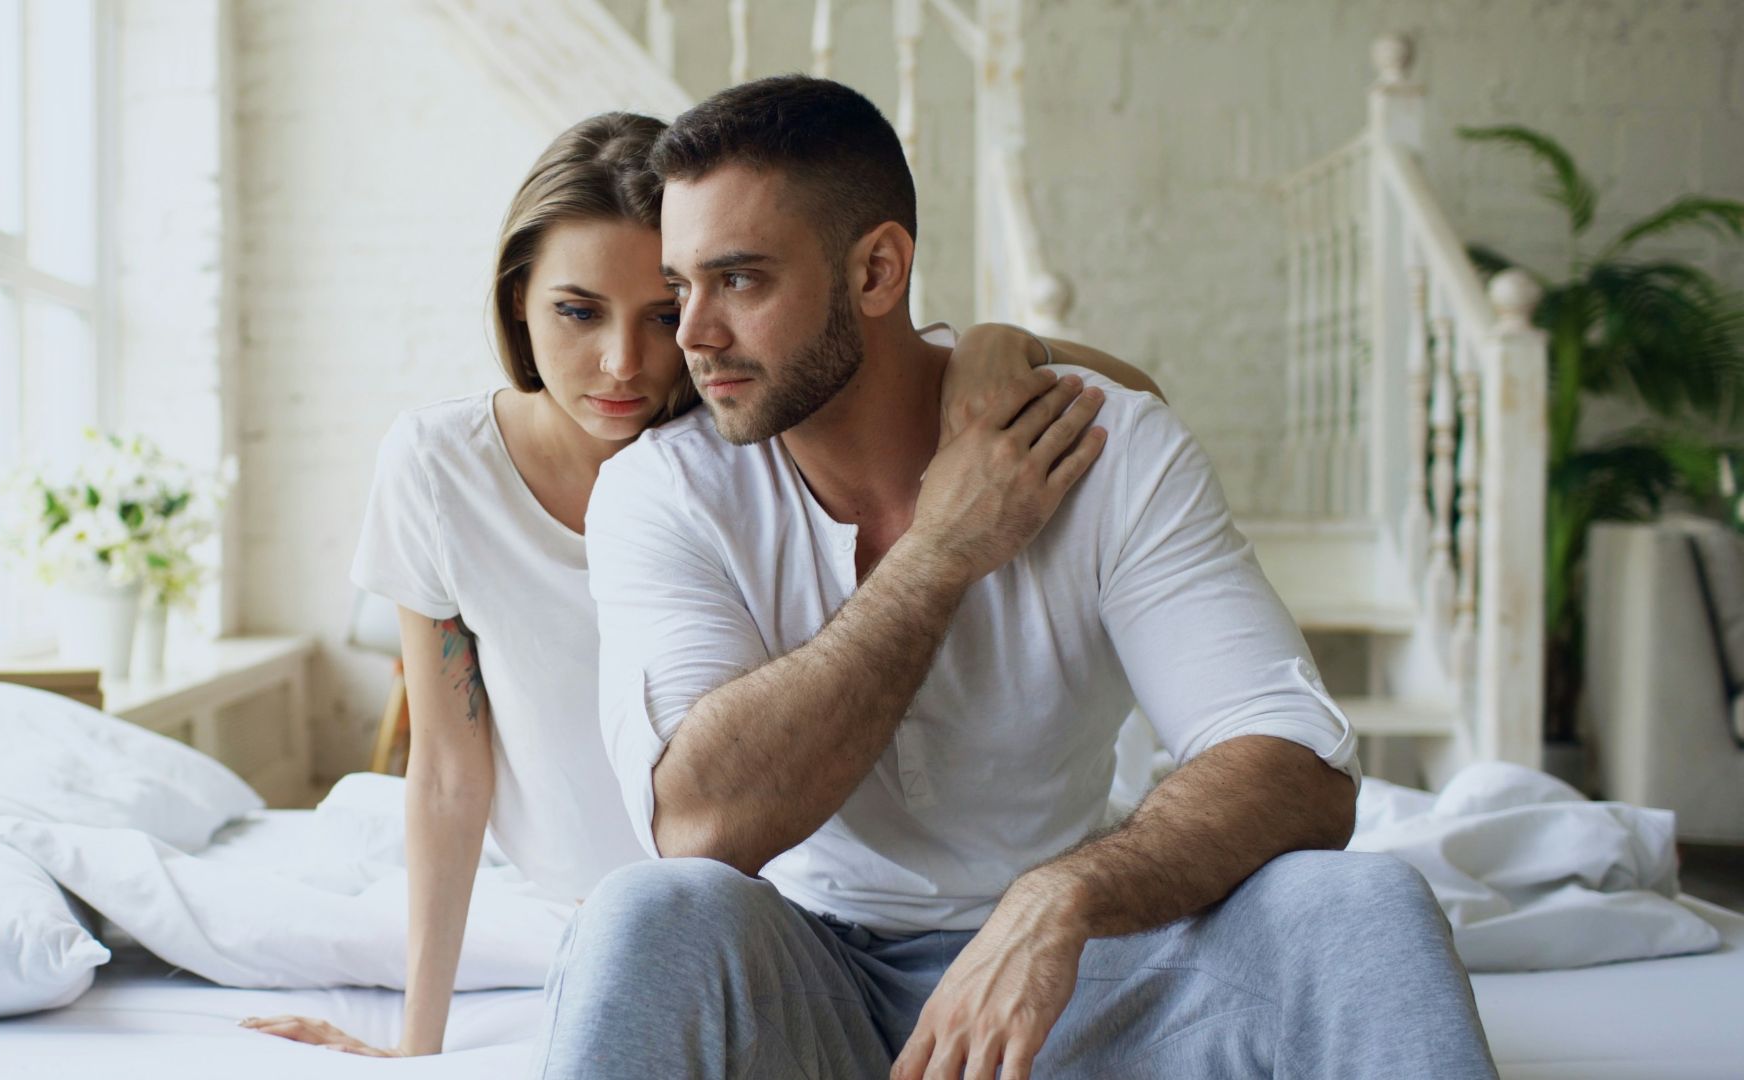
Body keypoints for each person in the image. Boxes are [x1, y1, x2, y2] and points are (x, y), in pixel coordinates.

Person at [533, 77, 1500, 1079]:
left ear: (877, 271)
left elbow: (1297, 762)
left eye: (738, 280)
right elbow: (699, 824)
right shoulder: (665, 490)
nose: (691, 335)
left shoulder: (1105, 447)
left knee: (1361, 902)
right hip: (815, 983)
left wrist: (1062, 900)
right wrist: (941, 553)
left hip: (1089, 980)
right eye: (683, 284)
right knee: (650, 910)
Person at [238, 112, 1158, 1058]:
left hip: (771, 902)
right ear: (518, 300)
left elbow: (1133, 406)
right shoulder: (439, 468)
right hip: (592, 904)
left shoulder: (753, 442)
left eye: (663, 313)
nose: (624, 364)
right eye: (577, 310)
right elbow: (444, 771)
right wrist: (416, 1045)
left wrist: (1009, 346)